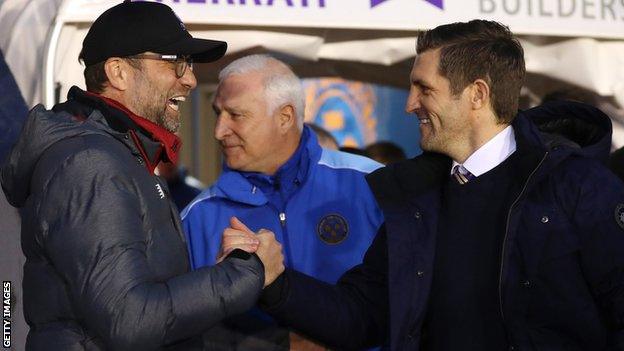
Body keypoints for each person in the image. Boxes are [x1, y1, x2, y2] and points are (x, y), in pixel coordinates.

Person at [222, 20, 624, 350]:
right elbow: (363, 314)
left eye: (424, 88)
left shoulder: (579, 186)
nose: (410, 104)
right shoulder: (418, 196)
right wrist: (276, 283)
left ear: (477, 95)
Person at [0, 2, 284, 350]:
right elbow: (130, 318)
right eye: (175, 62)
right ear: (118, 72)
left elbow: (152, 309)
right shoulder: (90, 164)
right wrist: (246, 273)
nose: (191, 79)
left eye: (190, 64)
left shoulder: (125, 156)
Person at [181, 54, 384, 347]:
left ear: (285, 117)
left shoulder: (371, 185)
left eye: (236, 115)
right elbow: (185, 329)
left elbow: (410, 304)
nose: (219, 131)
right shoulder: (198, 216)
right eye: (217, 113)